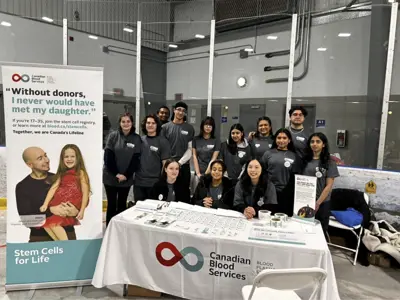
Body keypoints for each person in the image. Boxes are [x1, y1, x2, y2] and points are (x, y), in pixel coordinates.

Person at [16, 147, 79, 242]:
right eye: (40, 158)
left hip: (68, 235)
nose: (46, 160)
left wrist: (76, 212)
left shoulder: (60, 178)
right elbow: (26, 220)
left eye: (45, 155)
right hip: (40, 239)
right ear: (30, 164)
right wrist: (50, 210)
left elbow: (75, 200)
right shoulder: (23, 186)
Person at [39, 144, 90, 241]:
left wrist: (82, 210)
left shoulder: (81, 173)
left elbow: (85, 192)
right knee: (46, 225)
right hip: (59, 203)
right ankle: (60, 244)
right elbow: (53, 188)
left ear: (77, 158)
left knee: (53, 225)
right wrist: (45, 204)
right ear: (62, 159)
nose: (69, 159)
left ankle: (65, 245)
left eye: (72, 156)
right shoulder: (62, 173)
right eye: (66, 156)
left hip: (68, 205)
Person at [103, 113, 141, 226]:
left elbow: (136, 159)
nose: (126, 124)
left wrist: (126, 175)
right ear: (120, 123)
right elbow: (108, 157)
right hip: (110, 177)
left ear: (132, 123)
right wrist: (117, 174)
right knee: (111, 204)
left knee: (122, 205)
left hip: (126, 178)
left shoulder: (136, 138)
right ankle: (109, 231)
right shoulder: (113, 136)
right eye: (123, 121)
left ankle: (119, 230)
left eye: (128, 121)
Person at [303, 133, 340, 240]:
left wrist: (318, 203)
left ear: (323, 144)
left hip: (322, 203)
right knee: (305, 231)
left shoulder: (330, 162)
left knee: (320, 233)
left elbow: (329, 186)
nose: (314, 144)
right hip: (305, 201)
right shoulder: (304, 160)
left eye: (318, 142)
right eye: (312, 142)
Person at [261, 128, 301, 216]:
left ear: (289, 140)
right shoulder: (268, 154)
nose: (281, 140)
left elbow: (295, 178)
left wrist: (286, 192)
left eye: (284, 138)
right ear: (275, 140)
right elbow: (263, 172)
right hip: (269, 192)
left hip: (286, 194)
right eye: (279, 138)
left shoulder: (295, 156)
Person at [134, 114, 171, 201]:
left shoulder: (163, 142)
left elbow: (165, 164)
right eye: (148, 123)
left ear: (157, 125)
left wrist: (162, 182)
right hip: (139, 183)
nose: (150, 125)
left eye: (153, 123)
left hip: (155, 184)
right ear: (145, 125)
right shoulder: (139, 140)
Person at [161, 101, 195, 190]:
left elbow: (190, 149)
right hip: (168, 166)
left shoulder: (189, 128)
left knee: (183, 193)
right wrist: (169, 164)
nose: (180, 112)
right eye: (179, 109)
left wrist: (179, 163)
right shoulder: (165, 127)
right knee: (167, 192)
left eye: (183, 111)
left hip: (183, 166)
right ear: (174, 110)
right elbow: (162, 148)